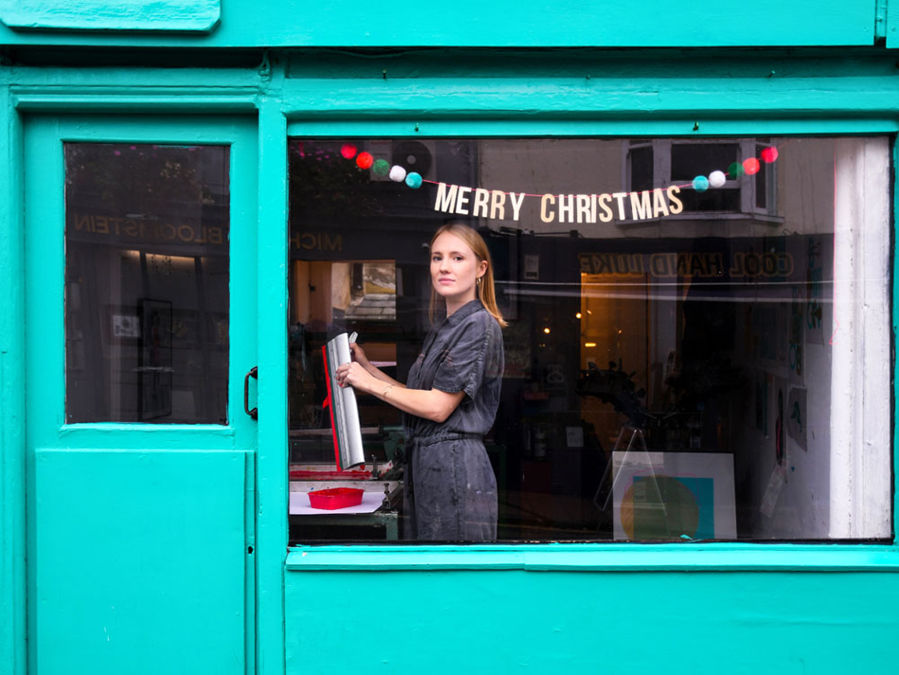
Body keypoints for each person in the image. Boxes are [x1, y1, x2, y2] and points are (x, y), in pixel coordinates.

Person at [336, 223, 506, 541]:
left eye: (457, 258)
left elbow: (439, 407)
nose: (444, 266)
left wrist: (368, 384)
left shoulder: (478, 325)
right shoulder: (445, 327)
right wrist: (367, 368)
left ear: (481, 268)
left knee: (453, 577)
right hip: (432, 466)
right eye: (437, 257)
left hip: (455, 470)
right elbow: (417, 396)